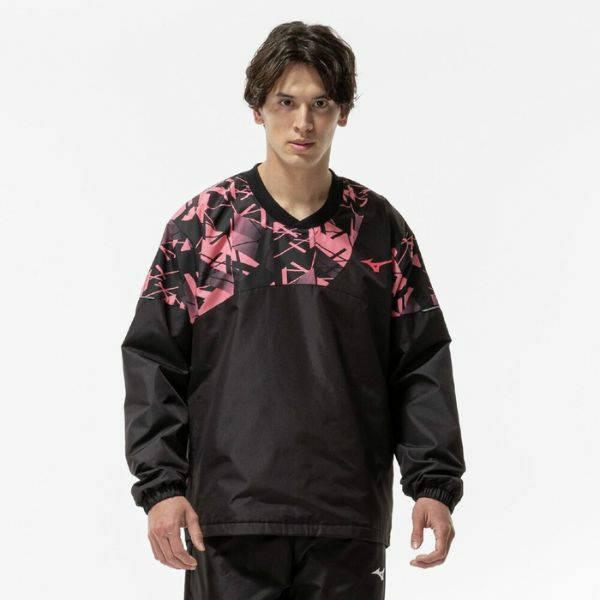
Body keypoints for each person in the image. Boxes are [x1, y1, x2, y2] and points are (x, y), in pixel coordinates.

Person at [121, 20, 466, 600]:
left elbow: (420, 362)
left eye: (320, 103)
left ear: (342, 112)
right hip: (228, 519)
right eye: (286, 102)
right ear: (257, 108)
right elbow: (155, 359)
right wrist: (161, 488)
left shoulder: (378, 230)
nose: (303, 122)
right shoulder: (204, 226)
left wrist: (433, 484)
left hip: (346, 520)